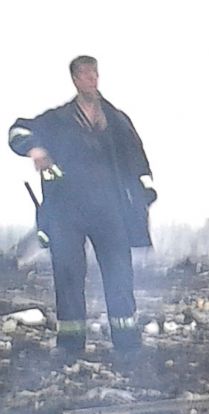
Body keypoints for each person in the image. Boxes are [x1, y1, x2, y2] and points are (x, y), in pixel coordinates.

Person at [8, 55, 156, 354]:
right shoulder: (57, 120)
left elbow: (137, 158)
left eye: (95, 74)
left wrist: (145, 191)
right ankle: (70, 346)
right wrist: (36, 150)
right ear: (75, 79)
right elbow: (17, 131)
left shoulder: (116, 120)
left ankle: (127, 346)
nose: (92, 79)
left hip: (110, 209)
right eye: (86, 74)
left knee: (119, 274)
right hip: (66, 211)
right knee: (68, 275)